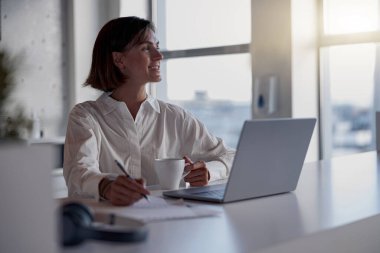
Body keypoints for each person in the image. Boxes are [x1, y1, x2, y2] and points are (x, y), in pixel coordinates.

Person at [63, 16, 234, 206]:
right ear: (119, 59)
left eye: (157, 47)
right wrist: (106, 186)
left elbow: (230, 156)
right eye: (146, 48)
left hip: (172, 225)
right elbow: (79, 171)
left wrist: (209, 171)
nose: (159, 56)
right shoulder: (85, 117)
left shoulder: (175, 117)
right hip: (116, 227)